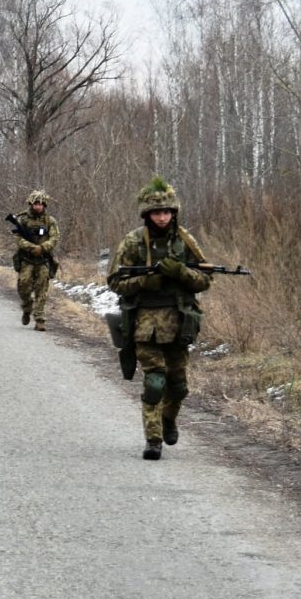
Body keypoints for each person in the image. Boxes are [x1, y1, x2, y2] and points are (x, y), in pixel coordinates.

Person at [107, 178, 211, 461]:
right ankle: (153, 440)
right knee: (155, 384)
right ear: (147, 214)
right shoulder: (133, 241)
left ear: (174, 212)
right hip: (145, 325)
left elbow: (204, 280)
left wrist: (180, 273)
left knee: (178, 387)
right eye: (157, 212)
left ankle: (168, 420)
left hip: (179, 323)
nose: (162, 217)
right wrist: (146, 282)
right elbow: (115, 281)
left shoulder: (185, 240)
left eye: (167, 212)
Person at [12, 190, 60, 330]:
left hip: (43, 259)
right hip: (27, 258)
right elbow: (18, 238)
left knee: (41, 289)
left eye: (40, 204)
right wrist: (31, 247)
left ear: (44, 205)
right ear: (31, 204)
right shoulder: (23, 220)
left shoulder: (50, 221)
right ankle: (27, 307)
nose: (38, 206)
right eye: (35, 204)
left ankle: (40, 319)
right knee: (24, 286)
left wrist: (43, 247)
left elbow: (55, 238)